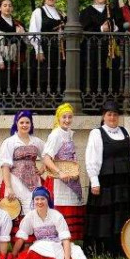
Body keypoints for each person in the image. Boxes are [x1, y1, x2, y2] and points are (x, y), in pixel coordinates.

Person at [83, 100, 130, 257]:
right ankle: (104, 251)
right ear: (103, 116)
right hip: (106, 182)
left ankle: (124, 249)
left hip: (125, 182)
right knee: (106, 218)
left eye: (115, 114)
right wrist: (94, 181)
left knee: (123, 214)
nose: (112, 117)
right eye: (109, 114)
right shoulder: (96, 133)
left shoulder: (126, 131)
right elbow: (91, 159)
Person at [11, 187, 92, 259]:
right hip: (40, 246)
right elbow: (21, 237)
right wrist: (13, 255)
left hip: (56, 244)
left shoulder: (56, 215)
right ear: (33, 201)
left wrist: (67, 257)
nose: (40, 202)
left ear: (48, 200)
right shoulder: (30, 216)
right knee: (36, 248)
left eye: (43, 199)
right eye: (37, 199)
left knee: (76, 251)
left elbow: (65, 238)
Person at [0, 110, 45, 240]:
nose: (24, 125)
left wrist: (42, 169)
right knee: (16, 210)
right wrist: (8, 187)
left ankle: (34, 243)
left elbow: (48, 155)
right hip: (15, 181)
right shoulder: (10, 142)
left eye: (27, 122)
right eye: (22, 122)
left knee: (33, 208)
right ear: (16, 123)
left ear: (31, 124)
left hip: (34, 181)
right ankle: (19, 244)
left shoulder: (36, 141)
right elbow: (5, 166)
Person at [43, 103, 86, 241]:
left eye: (69, 117)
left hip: (71, 176)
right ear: (58, 118)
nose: (67, 120)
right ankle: (58, 241)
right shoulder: (55, 135)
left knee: (71, 206)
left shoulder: (68, 134)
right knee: (61, 210)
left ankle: (69, 243)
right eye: (64, 117)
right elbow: (46, 158)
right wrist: (59, 172)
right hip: (59, 181)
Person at [80, 0, 123, 95]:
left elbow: (120, 26)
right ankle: (92, 101)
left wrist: (113, 27)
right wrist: (100, 29)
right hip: (93, 50)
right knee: (93, 74)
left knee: (110, 74)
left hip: (110, 49)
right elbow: (84, 31)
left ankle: (110, 101)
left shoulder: (112, 11)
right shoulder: (86, 12)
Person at [29, 0, 66, 94]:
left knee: (56, 77)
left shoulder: (60, 13)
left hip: (57, 50)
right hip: (44, 49)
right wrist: (38, 50)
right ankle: (42, 106)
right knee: (44, 78)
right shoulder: (38, 11)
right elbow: (33, 32)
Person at [0, 0, 25, 95]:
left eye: (10, 5)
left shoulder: (16, 23)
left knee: (13, 85)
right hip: (1, 58)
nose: (7, 7)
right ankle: (1, 109)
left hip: (13, 58)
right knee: (1, 84)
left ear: (12, 8)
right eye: (5, 5)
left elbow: (24, 40)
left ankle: (11, 108)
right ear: (0, 8)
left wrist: (21, 34)